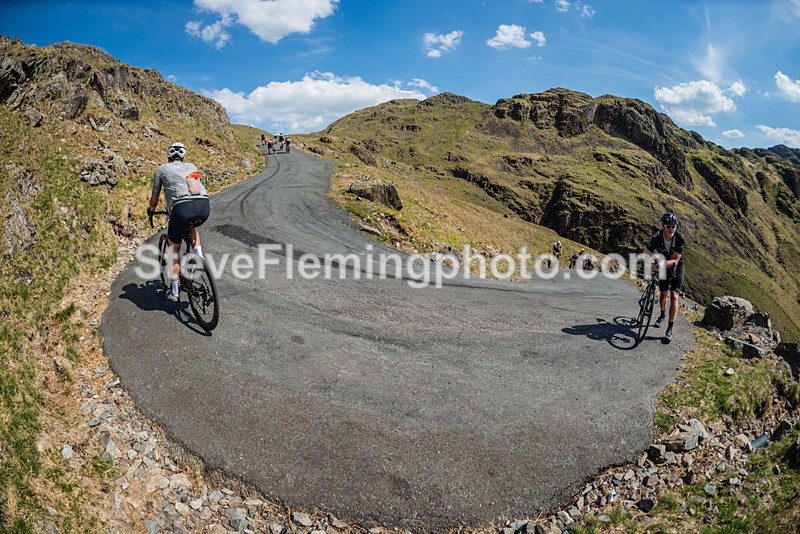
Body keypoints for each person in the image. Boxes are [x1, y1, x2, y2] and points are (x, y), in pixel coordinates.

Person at [148, 142, 210, 302]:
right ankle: (199, 257)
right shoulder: (192, 166)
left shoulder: (162, 169)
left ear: (169, 157)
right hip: (204, 206)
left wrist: (151, 210)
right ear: (183, 157)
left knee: (173, 251)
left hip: (182, 209)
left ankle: (174, 292)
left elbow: (155, 196)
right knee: (192, 227)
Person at [644, 211, 685, 343]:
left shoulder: (679, 239)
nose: (671, 229)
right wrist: (651, 264)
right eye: (668, 226)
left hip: (676, 266)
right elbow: (647, 253)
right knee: (663, 294)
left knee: (674, 296)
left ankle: (669, 329)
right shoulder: (657, 236)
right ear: (663, 226)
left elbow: (675, 261)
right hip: (663, 266)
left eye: (673, 226)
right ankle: (662, 314)